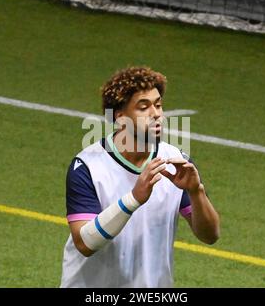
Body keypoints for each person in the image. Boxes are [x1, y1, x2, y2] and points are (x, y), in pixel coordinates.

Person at [60, 66, 220, 288]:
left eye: (158, 105)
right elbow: (85, 243)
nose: (156, 114)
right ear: (121, 117)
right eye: (143, 107)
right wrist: (134, 198)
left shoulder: (175, 162)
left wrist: (196, 191)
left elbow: (210, 235)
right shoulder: (87, 167)